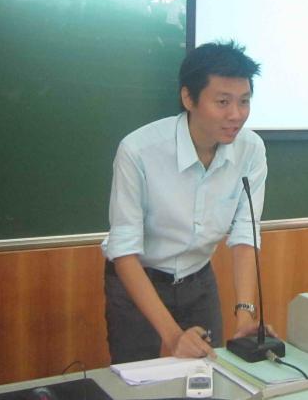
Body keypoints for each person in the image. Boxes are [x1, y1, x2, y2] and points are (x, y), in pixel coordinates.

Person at [101, 41, 268, 363]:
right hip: (139, 280)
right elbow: (124, 251)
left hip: (198, 279)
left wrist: (245, 315)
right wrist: (174, 336)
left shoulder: (251, 149)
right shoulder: (138, 151)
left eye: (244, 101)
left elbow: (246, 233)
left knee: (209, 371)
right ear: (188, 98)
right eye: (223, 102)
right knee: (138, 376)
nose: (236, 115)